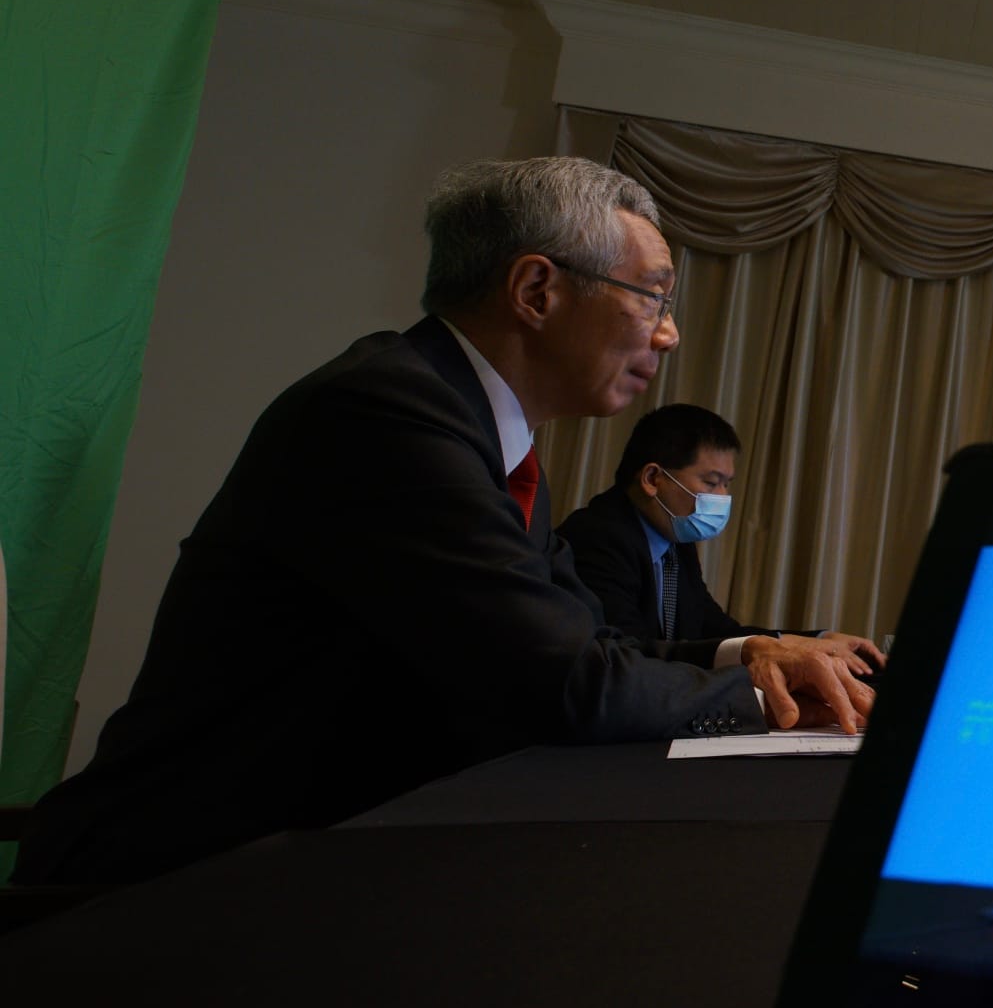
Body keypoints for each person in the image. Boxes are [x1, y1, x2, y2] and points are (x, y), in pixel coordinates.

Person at [14, 159, 875, 886]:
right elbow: (567, 686)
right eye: (651, 297)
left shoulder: (475, 433)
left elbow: (587, 645)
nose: (671, 333)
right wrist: (772, 695)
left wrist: (747, 654)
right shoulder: (385, 414)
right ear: (537, 289)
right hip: (173, 884)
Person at [556, 403, 878, 674]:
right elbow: (627, 653)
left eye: (727, 484)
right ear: (653, 478)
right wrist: (755, 652)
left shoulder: (675, 544)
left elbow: (719, 633)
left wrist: (816, 641)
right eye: (712, 483)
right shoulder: (598, 536)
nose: (723, 497)